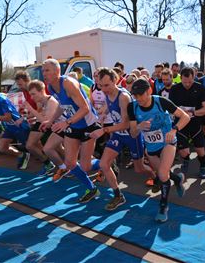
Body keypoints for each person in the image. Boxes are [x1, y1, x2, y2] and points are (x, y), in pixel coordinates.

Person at [128, 78, 189, 222]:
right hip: (151, 147)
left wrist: (174, 130)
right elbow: (132, 133)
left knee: (162, 174)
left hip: (167, 141)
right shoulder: (132, 107)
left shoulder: (160, 101)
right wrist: (138, 127)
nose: (138, 98)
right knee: (164, 175)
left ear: (149, 91)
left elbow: (185, 117)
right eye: (135, 96)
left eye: (140, 94)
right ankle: (178, 179)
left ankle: (163, 207)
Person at [41, 58, 102, 203]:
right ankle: (92, 189)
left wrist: (66, 122)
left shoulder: (68, 83)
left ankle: (105, 163)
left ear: (57, 71)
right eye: (43, 71)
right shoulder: (50, 87)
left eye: (47, 70)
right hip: (73, 125)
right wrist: (50, 121)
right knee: (70, 163)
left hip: (88, 124)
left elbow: (85, 108)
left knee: (86, 166)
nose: (44, 73)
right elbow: (62, 106)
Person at [90, 68, 144, 210]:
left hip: (132, 135)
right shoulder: (108, 93)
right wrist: (103, 113)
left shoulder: (123, 97)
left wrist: (104, 129)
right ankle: (118, 195)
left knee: (140, 169)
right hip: (119, 135)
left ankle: (157, 177)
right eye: (101, 86)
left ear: (115, 81)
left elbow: (126, 124)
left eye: (107, 85)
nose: (103, 89)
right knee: (103, 164)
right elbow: (109, 105)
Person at [169, 67, 205, 178]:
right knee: (183, 151)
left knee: (200, 150)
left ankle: (202, 167)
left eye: (190, 81)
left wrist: (192, 112)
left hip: (195, 122)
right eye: (184, 82)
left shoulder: (200, 88)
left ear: (194, 77)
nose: (187, 84)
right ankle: (186, 160)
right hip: (181, 123)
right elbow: (170, 108)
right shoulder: (174, 89)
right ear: (180, 78)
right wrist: (182, 114)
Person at [24, 80, 58, 176]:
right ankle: (51, 164)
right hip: (49, 125)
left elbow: (45, 121)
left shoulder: (51, 101)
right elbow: (42, 115)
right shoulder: (42, 101)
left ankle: (68, 167)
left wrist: (30, 109)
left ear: (42, 91)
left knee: (57, 149)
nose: (32, 97)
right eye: (30, 94)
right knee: (30, 145)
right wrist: (27, 116)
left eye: (34, 94)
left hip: (57, 127)